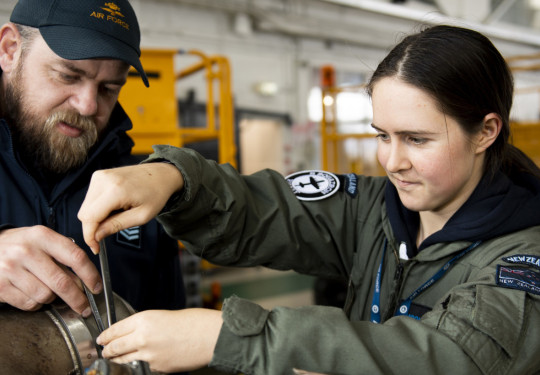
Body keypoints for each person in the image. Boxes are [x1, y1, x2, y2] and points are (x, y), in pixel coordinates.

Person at [78, 25, 540, 374]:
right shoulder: (376, 209)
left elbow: (443, 357)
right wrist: (172, 178)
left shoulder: (523, 260)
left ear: (485, 132)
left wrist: (233, 337)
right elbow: (265, 210)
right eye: (382, 135)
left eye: (417, 140)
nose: (392, 162)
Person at [0, 0, 185, 317]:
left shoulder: (138, 187)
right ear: (10, 50)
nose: (87, 106)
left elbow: (166, 328)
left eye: (109, 88)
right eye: (68, 76)